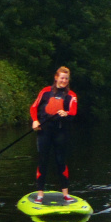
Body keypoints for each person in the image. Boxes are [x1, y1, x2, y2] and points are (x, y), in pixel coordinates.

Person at [30, 66, 78, 204]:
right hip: (44, 130)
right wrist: (35, 121)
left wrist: (66, 113)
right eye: (62, 78)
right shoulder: (45, 92)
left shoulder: (72, 96)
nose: (64, 81)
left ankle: (66, 194)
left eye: (66, 79)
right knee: (43, 160)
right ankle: (40, 194)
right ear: (56, 77)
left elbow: (73, 111)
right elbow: (34, 107)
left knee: (60, 161)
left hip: (61, 131)